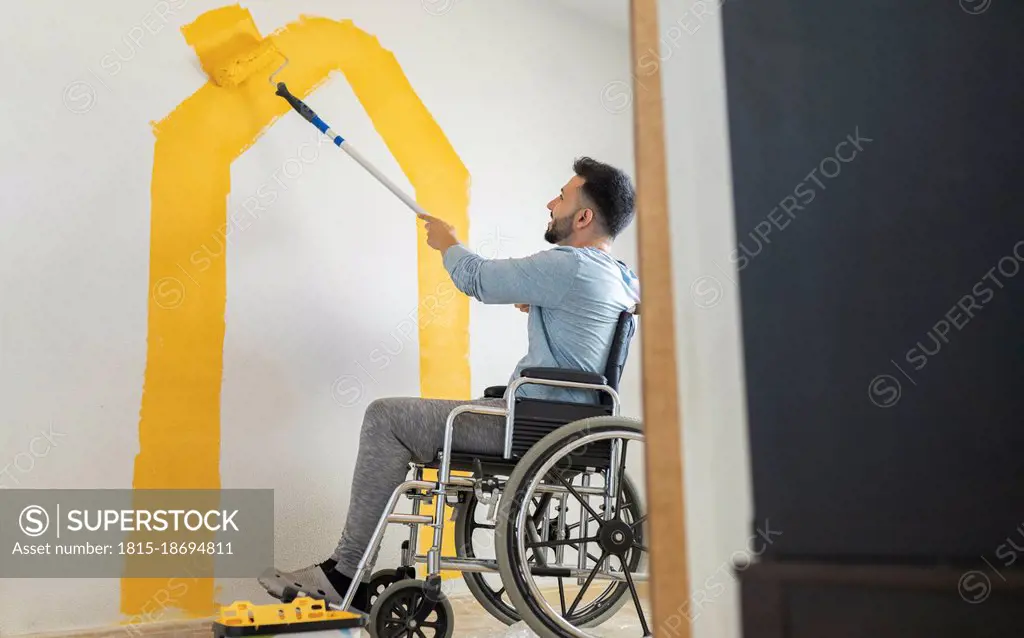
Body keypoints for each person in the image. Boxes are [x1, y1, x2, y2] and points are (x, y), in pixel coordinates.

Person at [258, 156, 640, 611]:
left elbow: (475, 278)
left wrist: (448, 244)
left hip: (532, 428)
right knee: (421, 418)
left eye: (561, 196)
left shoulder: (569, 266)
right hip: (564, 422)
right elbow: (582, 323)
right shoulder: (620, 277)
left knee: (386, 418)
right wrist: (540, 305)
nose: (550, 203)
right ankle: (349, 571)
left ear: (582, 217)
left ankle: (345, 572)